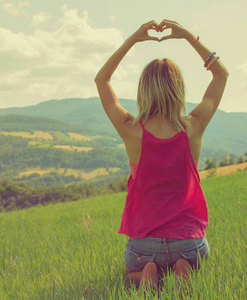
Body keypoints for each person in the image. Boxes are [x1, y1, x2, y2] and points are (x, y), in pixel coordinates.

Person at [94, 20, 229, 291]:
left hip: (144, 246)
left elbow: (102, 80)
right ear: (178, 90)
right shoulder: (194, 126)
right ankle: (183, 267)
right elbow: (221, 75)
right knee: (194, 261)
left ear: (143, 90)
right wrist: (188, 37)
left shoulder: (130, 130)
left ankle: (146, 273)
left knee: (129, 271)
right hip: (188, 242)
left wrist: (132, 39)